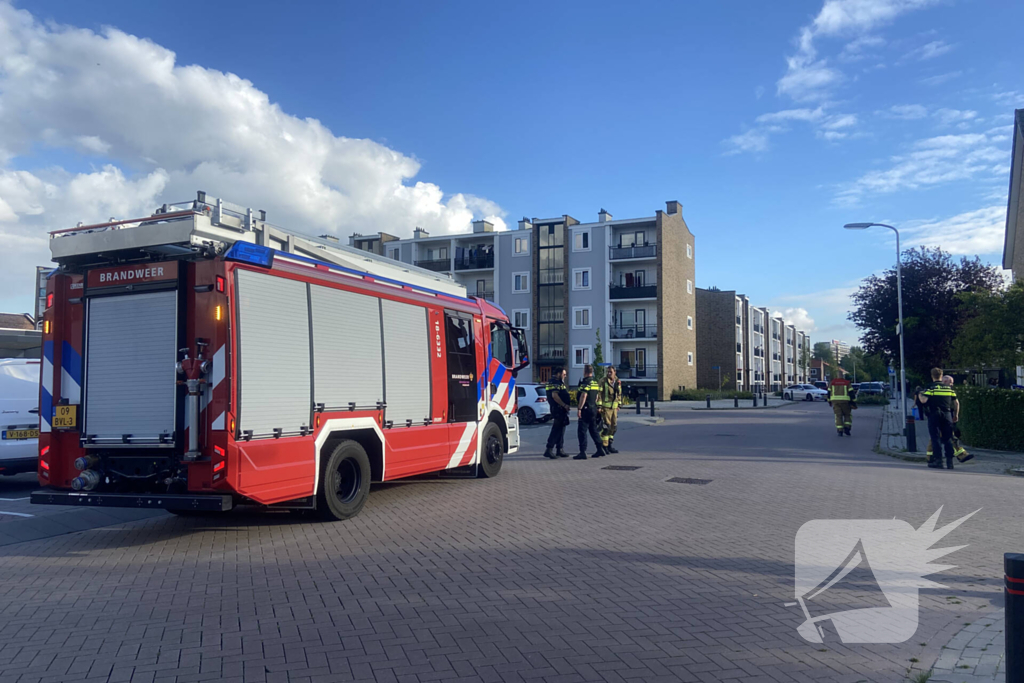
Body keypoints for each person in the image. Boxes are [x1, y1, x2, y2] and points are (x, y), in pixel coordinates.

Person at [917, 367, 959, 470]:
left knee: (935, 438)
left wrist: (919, 393)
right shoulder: (949, 388)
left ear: (932, 376)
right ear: (941, 375)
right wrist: (956, 415)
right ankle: (950, 462)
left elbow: (923, 400)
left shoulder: (931, 387)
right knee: (948, 438)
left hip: (934, 414)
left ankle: (938, 461)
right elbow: (956, 403)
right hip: (947, 414)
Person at [574, 365, 607, 460]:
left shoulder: (585, 383)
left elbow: (583, 396)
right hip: (593, 409)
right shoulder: (595, 383)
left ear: (585, 371)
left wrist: (579, 408)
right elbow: (596, 397)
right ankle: (600, 448)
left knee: (582, 431)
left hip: (585, 409)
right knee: (593, 430)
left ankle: (582, 452)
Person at [542, 367, 571, 459]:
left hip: (560, 409)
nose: (565, 376)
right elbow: (555, 396)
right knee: (556, 429)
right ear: (558, 373)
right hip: (558, 408)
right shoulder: (555, 382)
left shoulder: (556, 382)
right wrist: (564, 405)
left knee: (561, 430)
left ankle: (560, 449)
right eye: (564, 374)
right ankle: (549, 449)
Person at [598, 366, 623, 454]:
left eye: (610, 372)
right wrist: (599, 406)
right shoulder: (603, 381)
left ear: (614, 372)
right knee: (606, 427)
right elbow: (599, 394)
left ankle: (609, 445)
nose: (609, 374)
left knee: (614, 427)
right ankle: (604, 446)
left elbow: (619, 393)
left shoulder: (617, 381)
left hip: (614, 408)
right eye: (608, 372)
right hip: (606, 408)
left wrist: (619, 404)